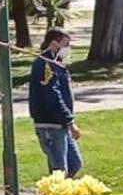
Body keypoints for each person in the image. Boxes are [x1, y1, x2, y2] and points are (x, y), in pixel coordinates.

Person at [29, 27, 83, 177]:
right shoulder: (45, 64)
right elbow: (53, 96)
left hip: (61, 124)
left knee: (74, 163)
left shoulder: (57, 63)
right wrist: (70, 122)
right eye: (65, 44)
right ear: (54, 44)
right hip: (50, 125)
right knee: (59, 171)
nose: (68, 48)